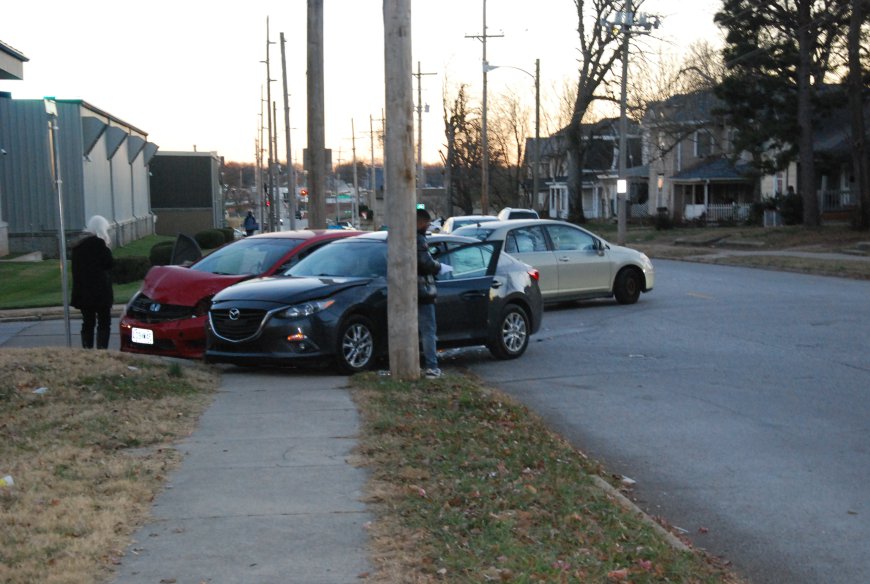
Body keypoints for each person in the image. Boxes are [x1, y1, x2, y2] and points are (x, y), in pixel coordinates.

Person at [416, 208, 452, 379]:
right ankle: (432, 366)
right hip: (423, 291)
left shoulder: (402, 238)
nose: (428, 227)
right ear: (420, 222)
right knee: (429, 330)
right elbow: (426, 263)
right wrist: (438, 267)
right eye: (427, 223)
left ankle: (416, 363)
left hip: (407, 291)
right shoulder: (419, 240)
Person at [70, 215, 114, 349]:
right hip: (100, 292)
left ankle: (87, 349)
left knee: (88, 322)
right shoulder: (100, 245)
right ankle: (102, 350)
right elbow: (109, 264)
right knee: (104, 322)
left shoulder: (77, 247)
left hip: (83, 292)